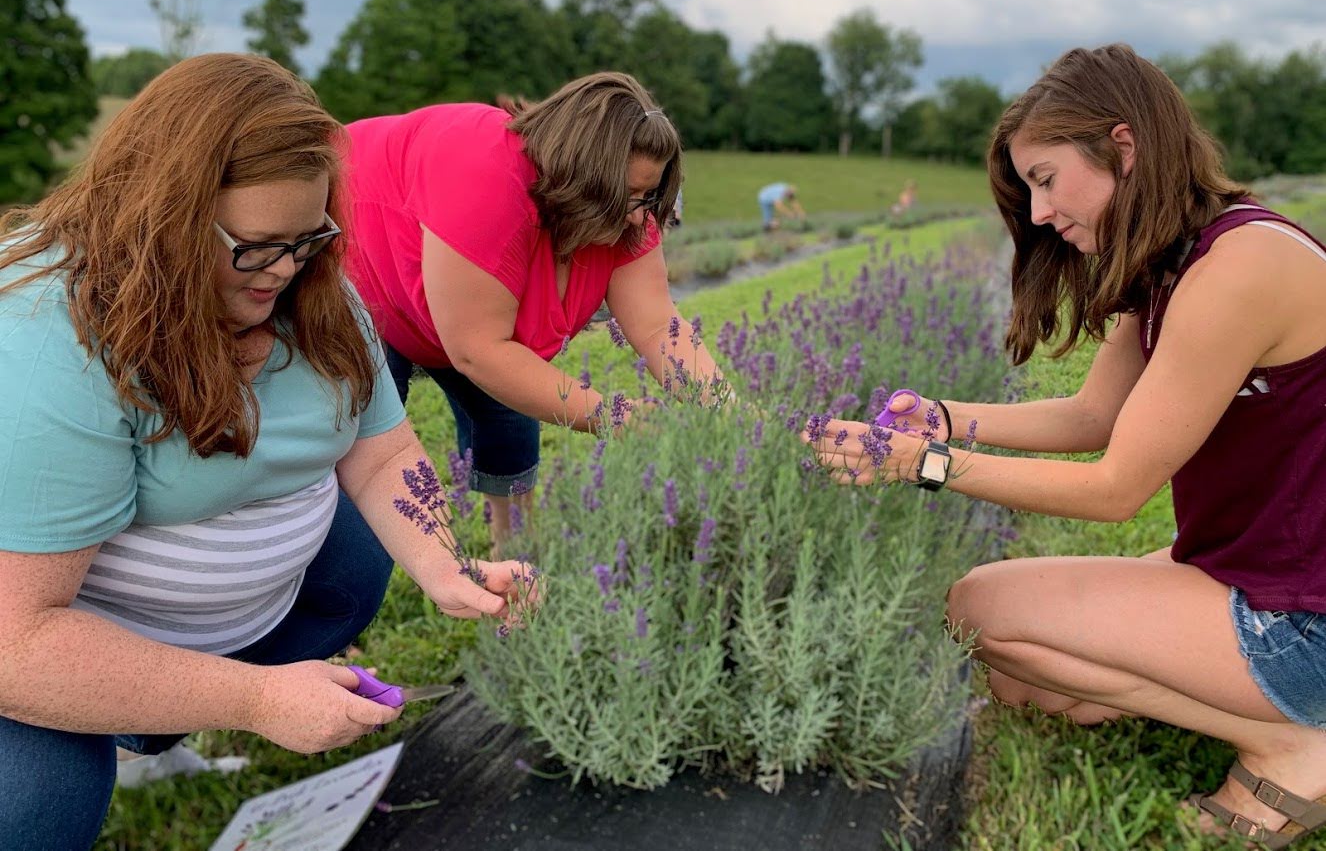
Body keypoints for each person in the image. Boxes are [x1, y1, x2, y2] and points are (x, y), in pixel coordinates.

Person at [0, 54, 527, 851]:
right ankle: (106, 718)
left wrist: (449, 567)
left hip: (153, 614)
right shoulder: (54, 340)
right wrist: (255, 701)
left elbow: (382, 453)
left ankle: (147, 723)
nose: (284, 270)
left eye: (307, 240)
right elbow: (18, 641)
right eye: (255, 247)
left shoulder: (305, 281)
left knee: (352, 571)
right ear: (160, 219)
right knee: (35, 802)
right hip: (36, 628)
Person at [810, 44, 1326, 847]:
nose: (1041, 211)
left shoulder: (1241, 267)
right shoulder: (1174, 258)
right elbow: (1094, 418)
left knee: (981, 610)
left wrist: (925, 465)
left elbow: (1116, 489)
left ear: (1123, 147)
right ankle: (1261, 708)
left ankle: (1294, 745)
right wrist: (942, 419)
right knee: (1029, 681)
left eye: (1046, 178)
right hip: (1254, 577)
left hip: (1305, 619)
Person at [342, 73, 723, 552]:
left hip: (462, 297)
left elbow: (656, 326)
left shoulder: (631, 209)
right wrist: (614, 416)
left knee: (510, 409)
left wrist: (732, 415)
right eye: (627, 198)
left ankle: (514, 546)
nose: (638, 216)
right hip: (360, 262)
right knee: (364, 441)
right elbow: (480, 350)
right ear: (581, 179)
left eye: (648, 199)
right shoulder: (486, 177)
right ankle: (351, 571)